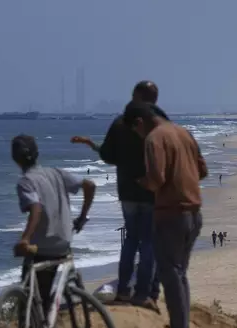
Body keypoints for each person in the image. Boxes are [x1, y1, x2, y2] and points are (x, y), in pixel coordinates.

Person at [70, 81, 166, 311]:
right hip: (153, 192)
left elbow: (108, 156)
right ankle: (147, 292)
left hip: (128, 192)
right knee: (150, 242)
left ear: (136, 96)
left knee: (132, 239)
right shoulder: (160, 123)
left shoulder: (121, 123)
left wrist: (92, 144)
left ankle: (124, 289)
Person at [125, 101, 207, 328]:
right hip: (194, 212)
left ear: (139, 123)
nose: (138, 136)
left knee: (170, 275)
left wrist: (138, 181)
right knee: (179, 273)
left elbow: (156, 179)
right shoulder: (184, 133)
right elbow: (202, 171)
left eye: (135, 131)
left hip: (171, 214)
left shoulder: (154, 139)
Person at [11, 134, 96, 328]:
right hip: (64, 247)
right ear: (37, 153)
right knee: (51, 305)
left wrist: (25, 239)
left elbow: (35, 208)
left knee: (28, 309)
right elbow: (89, 185)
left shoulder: (26, 181)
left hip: (42, 251)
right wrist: (81, 217)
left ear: (15, 158)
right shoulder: (56, 173)